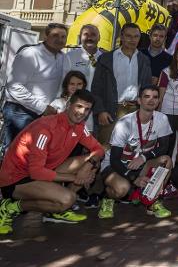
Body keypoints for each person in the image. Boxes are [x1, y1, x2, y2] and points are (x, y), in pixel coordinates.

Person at [0, 89, 104, 234]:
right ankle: (9, 207)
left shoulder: (79, 127)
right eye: (79, 106)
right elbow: (36, 172)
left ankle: (54, 209)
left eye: (87, 109)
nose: (82, 112)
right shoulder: (46, 128)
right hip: (17, 180)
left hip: (42, 172)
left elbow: (99, 149)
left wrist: (88, 165)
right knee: (68, 199)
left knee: (93, 161)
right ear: (68, 104)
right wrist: (75, 177)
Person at [98, 85, 173, 220]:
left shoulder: (161, 119)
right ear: (139, 100)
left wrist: (144, 157)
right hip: (116, 165)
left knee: (166, 160)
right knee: (122, 188)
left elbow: (163, 147)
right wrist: (135, 179)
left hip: (139, 162)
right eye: (147, 96)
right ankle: (107, 198)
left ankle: (151, 200)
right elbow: (114, 159)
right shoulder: (125, 123)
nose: (151, 100)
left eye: (155, 97)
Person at [2, 23, 67, 152]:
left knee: (32, 154)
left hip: (43, 114)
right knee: (14, 153)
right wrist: (42, 107)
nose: (59, 39)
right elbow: (14, 86)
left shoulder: (62, 57)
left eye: (63, 36)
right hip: (20, 112)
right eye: (55, 35)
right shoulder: (30, 54)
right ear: (46, 36)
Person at [91, 23, 152, 145]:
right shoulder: (106, 59)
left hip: (136, 112)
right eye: (128, 36)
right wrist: (101, 111)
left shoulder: (144, 60)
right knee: (105, 148)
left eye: (136, 36)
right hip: (111, 111)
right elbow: (96, 89)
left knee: (130, 150)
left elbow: (147, 89)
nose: (132, 40)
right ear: (122, 37)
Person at [63, 24, 104, 90]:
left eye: (93, 35)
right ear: (80, 37)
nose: (89, 38)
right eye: (86, 34)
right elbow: (63, 82)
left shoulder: (105, 59)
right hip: (76, 99)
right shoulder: (69, 57)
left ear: (99, 38)